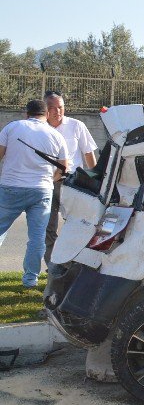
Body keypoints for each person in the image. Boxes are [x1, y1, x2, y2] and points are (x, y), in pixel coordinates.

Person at [0, 100, 68, 287]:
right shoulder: (55, 135)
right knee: (37, 237)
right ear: (46, 114)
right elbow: (63, 168)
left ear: (26, 113)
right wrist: (49, 180)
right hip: (41, 190)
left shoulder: (12, 128)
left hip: (10, 187)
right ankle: (30, 279)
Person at [43, 91, 98, 265]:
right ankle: (52, 266)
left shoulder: (76, 125)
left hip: (72, 183)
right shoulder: (40, 128)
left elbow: (88, 153)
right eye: (52, 108)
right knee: (48, 227)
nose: (56, 112)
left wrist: (95, 178)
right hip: (47, 183)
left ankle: (74, 264)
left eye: (60, 107)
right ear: (45, 109)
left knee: (77, 226)